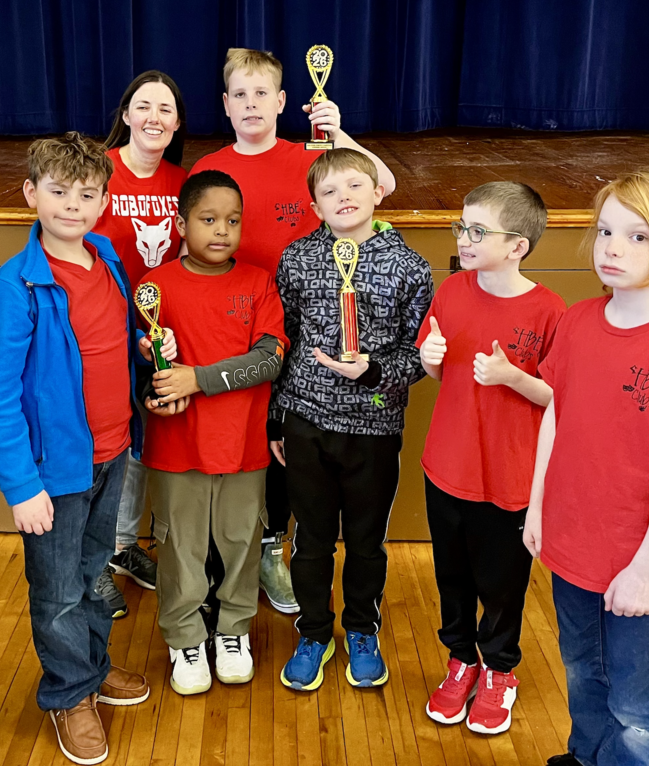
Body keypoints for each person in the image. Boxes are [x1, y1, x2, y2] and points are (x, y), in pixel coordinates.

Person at [0, 133, 175, 766]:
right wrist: (21, 487)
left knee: (93, 575)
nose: (73, 205)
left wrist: (142, 353)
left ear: (103, 201)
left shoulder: (107, 256)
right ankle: (69, 693)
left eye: (87, 194)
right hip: (54, 472)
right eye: (59, 192)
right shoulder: (14, 287)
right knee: (58, 589)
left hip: (112, 451)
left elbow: (111, 344)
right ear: (31, 194)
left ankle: (90, 668)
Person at [526, 170, 649, 766]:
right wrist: (537, 506)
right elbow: (557, 413)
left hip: (641, 563)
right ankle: (587, 756)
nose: (613, 248)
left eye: (638, 236)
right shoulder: (577, 320)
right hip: (572, 543)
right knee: (581, 668)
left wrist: (645, 570)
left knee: (638, 702)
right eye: (606, 231)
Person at [190, 47, 398, 614]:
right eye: (240, 95)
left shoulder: (312, 153)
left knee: (284, 442)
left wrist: (339, 132)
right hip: (231, 322)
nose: (251, 104)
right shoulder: (209, 167)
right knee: (240, 435)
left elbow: (384, 182)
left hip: (301, 327)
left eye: (262, 94)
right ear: (226, 105)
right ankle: (222, 554)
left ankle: (271, 550)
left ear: (283, 101)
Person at [271, 148, 433, 691]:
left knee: (366, 542)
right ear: (315, 206)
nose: (343, 197)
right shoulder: (297, 259)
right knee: (311, 541)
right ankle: (314, 632)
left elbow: (420, 354)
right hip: (307, 422)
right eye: (329, 191)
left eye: (355, 186)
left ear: (378, 192)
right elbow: (283, 340)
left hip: (374, 429)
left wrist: (374, 372)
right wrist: (277, 418)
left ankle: (362, 628)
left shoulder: (410, 267)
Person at [416, 182, 565, 735]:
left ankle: (500, 670)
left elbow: (558, 396)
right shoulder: (451, 290)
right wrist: (430, 358)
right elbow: (439, 372)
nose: (464, 238)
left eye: (478, 231)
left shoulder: (549, 310)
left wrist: (512, 376)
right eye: (462, 227)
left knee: (503, 584)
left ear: (517, 246)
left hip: (510, 478)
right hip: (446, 468)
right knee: (451, 577)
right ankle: (461, 661)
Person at [138, 170, 287, 695]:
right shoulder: (154, 287)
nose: (222, 230)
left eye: (233, 220)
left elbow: (269, 359)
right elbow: (146, 371)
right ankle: (184, 637)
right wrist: (157, 387)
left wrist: (196, 379)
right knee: (180, 546)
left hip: (244, 444)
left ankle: (233, 631)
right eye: (208, 219)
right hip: (176, 445)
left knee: (242, 541)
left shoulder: (258, 283)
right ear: (181, 225)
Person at [93, 70, 189, 618]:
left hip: (159, 338)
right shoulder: (99, 171)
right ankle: (94, 560)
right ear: (126, 114)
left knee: (143, 448)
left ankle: (123, 546)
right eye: (144, 106)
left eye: (165, 109)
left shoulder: (184, 180)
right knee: (102, 447)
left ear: (177, 124)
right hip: (103, 334)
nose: (154, 117)